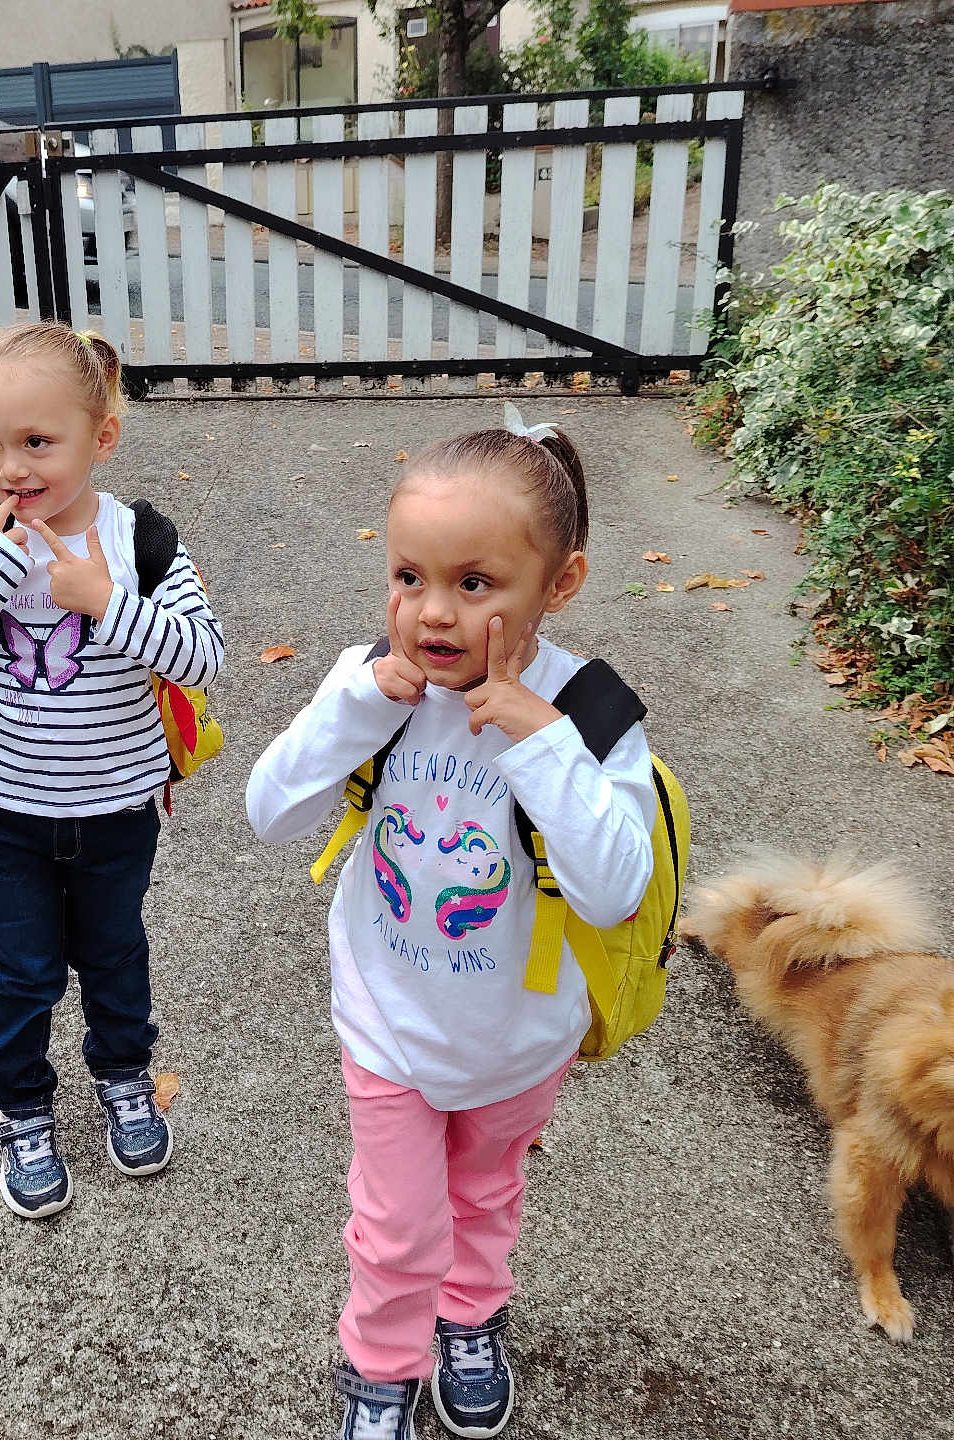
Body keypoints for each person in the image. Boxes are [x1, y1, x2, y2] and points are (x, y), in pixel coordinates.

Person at [246, 415, 656, 1439]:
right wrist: (355, 706)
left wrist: (538, 740)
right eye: (408, 577)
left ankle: (469, 1319)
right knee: (395, 1224)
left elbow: (615, 891)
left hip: (519, 1040)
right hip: (389, 1023)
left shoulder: (592, 718)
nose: (432, 613)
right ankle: (380, 1364)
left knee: (483, 1193)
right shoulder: (378, 687)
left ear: (558, 584)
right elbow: (269, 812)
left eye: (475, 584)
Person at [0, 322, 224, 1220]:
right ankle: (24, 1110)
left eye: (38, 442)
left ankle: (124, 1078)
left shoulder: (140, 540)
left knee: (115, 954)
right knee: (24, 966)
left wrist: (108, 603)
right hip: (5, 810)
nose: (12, 468)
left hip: (119, 808)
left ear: (100, 438)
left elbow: (203, 657)